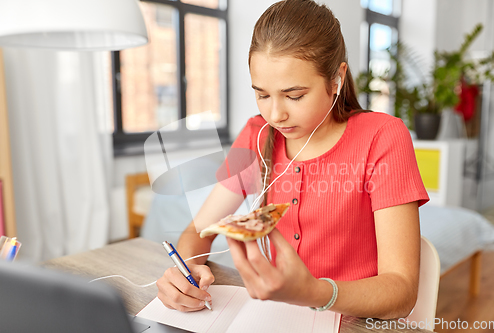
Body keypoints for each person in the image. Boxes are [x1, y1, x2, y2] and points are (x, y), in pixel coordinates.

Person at [156, 0, 429, 320]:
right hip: (276, 318)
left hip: (357, 323)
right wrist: (185, 272)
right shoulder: (256, 135)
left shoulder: (382, 137)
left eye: (295, 95)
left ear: (337, 79)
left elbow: (401, 293)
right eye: (262, 94)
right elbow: (197, 231)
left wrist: (315, 293)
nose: (275, 115)